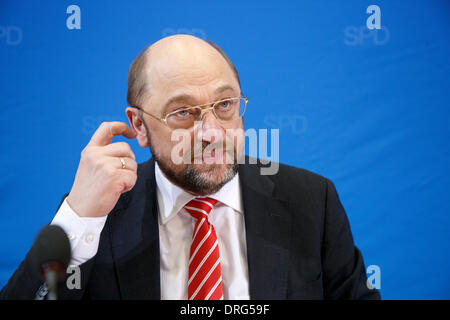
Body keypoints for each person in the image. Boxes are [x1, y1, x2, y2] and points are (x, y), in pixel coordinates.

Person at [0, 34, 380, 300]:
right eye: (183, 112)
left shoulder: (312, 201)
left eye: (225, 105)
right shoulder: (99, 212)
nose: (211, 132)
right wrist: (78, 218)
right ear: (138, 126)